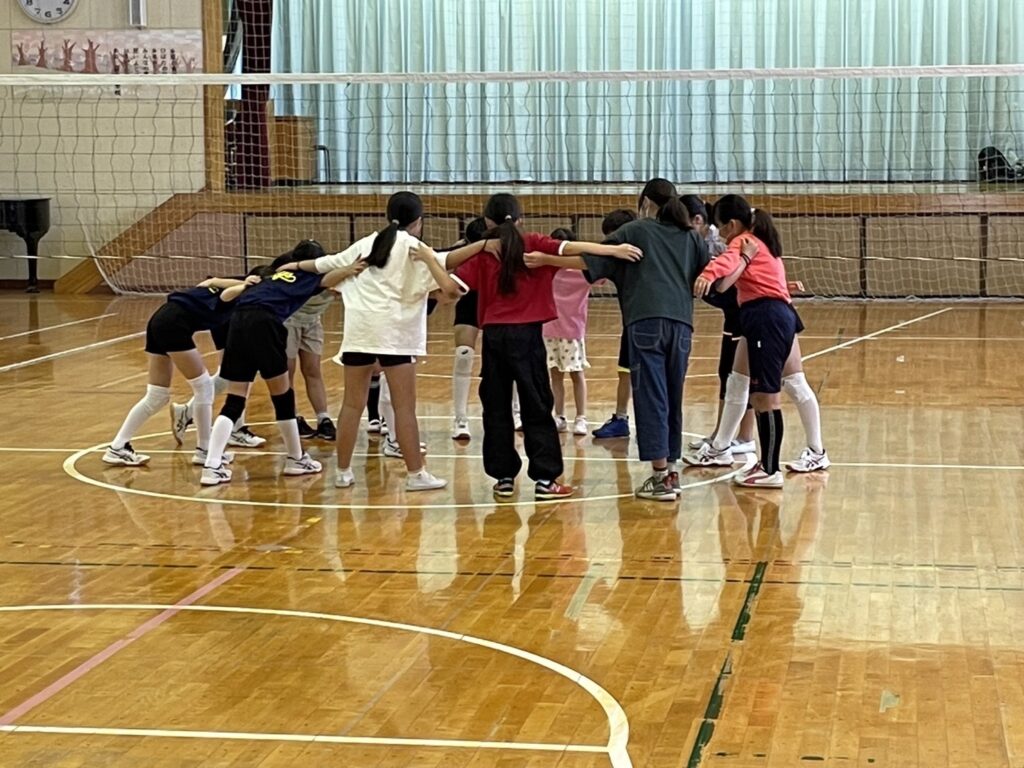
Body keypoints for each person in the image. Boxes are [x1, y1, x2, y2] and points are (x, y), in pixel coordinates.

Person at [424, 192, 642, 499]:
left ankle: (503, 477)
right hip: (527, 337)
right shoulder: (535, 243)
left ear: (487, 221)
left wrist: (428, 268)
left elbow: (451, 288)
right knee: (537, 405)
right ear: (521, 219)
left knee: (496, 407)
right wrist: (614, 249)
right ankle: (545, 480)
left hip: (495, 338)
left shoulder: (483, 254)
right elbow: (574, 247)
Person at [531, 179, 710, 502]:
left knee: (651, 397)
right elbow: (709, 276)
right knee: (672, 396)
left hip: (644, 321)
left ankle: (658, 478)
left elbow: (589, 261)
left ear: (644, 202)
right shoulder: (691, 238)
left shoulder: (636, 231)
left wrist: (547, 260)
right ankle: (669, 471)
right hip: (682, 326)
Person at [294, 192, 464, 491]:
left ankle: (343, 472)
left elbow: (324, 264)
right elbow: (450, 293)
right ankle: (416, 475)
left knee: (351, 405)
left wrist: (292, 267)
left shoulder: (365, 243)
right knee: (404, 408)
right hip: (395, 337)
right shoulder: (417, 249)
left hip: (359, 334)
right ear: (419, 221)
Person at [690, 194, 829, 488]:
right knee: (740, 379)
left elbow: (726, 264)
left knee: (765, 397)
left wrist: (707, 273)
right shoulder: (763, 241)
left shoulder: (744, 242)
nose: (722, 235)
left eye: (722, 228)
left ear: (732, 224)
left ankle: (769, 469)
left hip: (766, 318)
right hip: (775, 314)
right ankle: (721, 448)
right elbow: (766, 277)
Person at [200, 242, 365, 486]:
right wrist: (353, 267)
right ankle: (295, 458)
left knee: (235, 400)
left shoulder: (274, 274)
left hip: (237, 322)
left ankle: (212, 466)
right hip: (265, 323)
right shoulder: (306, 278)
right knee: (282, 396)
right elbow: (330, 278)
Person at [103, 274, 257, 467]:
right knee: (204, 387)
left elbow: (210, 281)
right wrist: (248, 286)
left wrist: (245, 283)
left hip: (159, 320)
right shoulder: (233, 295)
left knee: (157, 395)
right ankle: (204, 450)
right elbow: (228, 292)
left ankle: (117, 447)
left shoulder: (211, 286)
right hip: (173, 326)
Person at [680, 194, 756, 455]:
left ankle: (745, 437)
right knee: (726, 374)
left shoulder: (725, 242)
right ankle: (719, 434)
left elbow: (729, 266)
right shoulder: (698, 243)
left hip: (746, 316)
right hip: (732, 316)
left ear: (699, 220)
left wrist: (708, 275)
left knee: (745, 379)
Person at [591, 208, 638, 439]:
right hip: (631, 324)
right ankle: (621, 418)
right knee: (625, 372)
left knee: (649, 376)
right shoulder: (616, 260)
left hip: (647, 323)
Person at [543, 227, 592, 435]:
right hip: (548, 329)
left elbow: (603, 276)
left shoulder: (582, 272)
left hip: (572, 330)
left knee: (576, 374)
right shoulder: (545, 271)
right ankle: (559, 415)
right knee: (554, 375)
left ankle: (581, 417)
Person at [450, 216, 488, 440]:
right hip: (470, 300)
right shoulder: (462, 254)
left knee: (508, 358)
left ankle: (515, 412)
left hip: (497, 301)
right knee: (463, 355)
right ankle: (460, 419)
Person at [285, 290, 337, 441]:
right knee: (287, 372)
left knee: (313, 369)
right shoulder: (310, 271)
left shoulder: (345, 273)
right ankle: (292, 417)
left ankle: (323, 418)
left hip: (312, 319)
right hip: (288, 317)